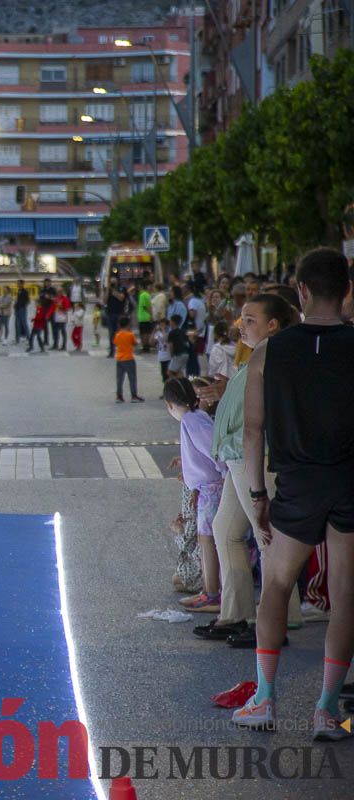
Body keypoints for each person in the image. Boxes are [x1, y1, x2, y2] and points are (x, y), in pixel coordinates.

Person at [233, 248, 354, 737]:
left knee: (278, 585)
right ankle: (327, 709)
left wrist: (258, 496)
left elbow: (252, 431)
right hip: (348, 480)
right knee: (346, 596)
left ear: (300, 291)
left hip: (297, 484)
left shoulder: (269, 352)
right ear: (346, 289)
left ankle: (264, 697)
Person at [197, 294, 301, 648]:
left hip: (255, 456)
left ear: (273, 324)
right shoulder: (258, 353)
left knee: (265, 536)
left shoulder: (275, 353)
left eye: (250, 318)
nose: (242, 324)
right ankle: (236, 613)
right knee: (226, 529)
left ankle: (278, 621)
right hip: (236, 455)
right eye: (242, 318)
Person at [163, 378, 224, 615]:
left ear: (169, 404)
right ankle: (210, 592)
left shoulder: (192, 421)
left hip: (212, 486)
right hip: (206, 487)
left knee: (207, 540)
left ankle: (211, 593)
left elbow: (214, 451)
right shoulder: (195, 418)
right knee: (206, 538)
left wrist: (224, 476)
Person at [113, 315, 143, 403]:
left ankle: (119, 396)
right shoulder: (130, 334)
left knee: (119, 379)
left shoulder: (117, 335)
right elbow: (135, 343)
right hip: (129, 358)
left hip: (119, 359)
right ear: (128, 325)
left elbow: (115, 343)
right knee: (132, 378)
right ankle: (134, 396)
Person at [167, 314, 190, 378]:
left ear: (173, 322)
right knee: (179, 371)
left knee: (169, 372)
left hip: (178, 354)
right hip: (185, 353)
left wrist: (171, 355)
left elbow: (170, 345)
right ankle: (182, 384)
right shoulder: (183, 331)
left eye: (170, 321)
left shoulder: (172, 333)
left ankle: (176, 385)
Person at [137, 282, 154, 353]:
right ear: (148, 287)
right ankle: (146, 347)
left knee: (142, 332)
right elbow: (147, 306)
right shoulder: (146, 295)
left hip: (141, 316)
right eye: (151, 286)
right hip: (146, 317)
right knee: (146, 333)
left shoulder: (141, 295)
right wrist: (151, 315)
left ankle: (144, 346)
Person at [154, 318, 172, 383]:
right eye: (160, 325)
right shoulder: (158, 333)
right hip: (161, 357)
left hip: (168, 356)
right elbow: (151, 342)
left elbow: (166, 339)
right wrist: (154, 331)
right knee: (163, 374)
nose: (162, 326)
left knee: (169, 373)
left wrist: (163, 330)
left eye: (163, 325)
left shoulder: (169, 332)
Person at [13, 281, 30, 345]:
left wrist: (24, 306)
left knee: (24, 324)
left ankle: (28, 338)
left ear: (22, 284)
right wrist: (15, 305)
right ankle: (17, 339)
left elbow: (28, 300)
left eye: (19, 283)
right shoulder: (18, 291)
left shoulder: (25, 291)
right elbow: (18, 299)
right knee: (17, 325)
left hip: (22, 309)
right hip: (17, 309)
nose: (17, 284)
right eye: (17, 283)